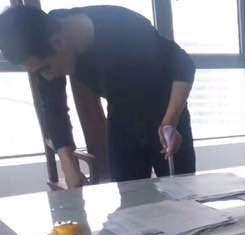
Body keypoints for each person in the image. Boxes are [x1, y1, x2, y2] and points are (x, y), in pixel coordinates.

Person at [0, 4, 195, 187]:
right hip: (121, 116)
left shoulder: (123, 26)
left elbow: (182, 64)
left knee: (182, 194)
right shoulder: (42, 37)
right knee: (128, 200)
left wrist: (170, 120)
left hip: (165, 112)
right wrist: (69, 164)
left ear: (58, 43)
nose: (47, 77)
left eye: (45, 69)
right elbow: (53, 108)